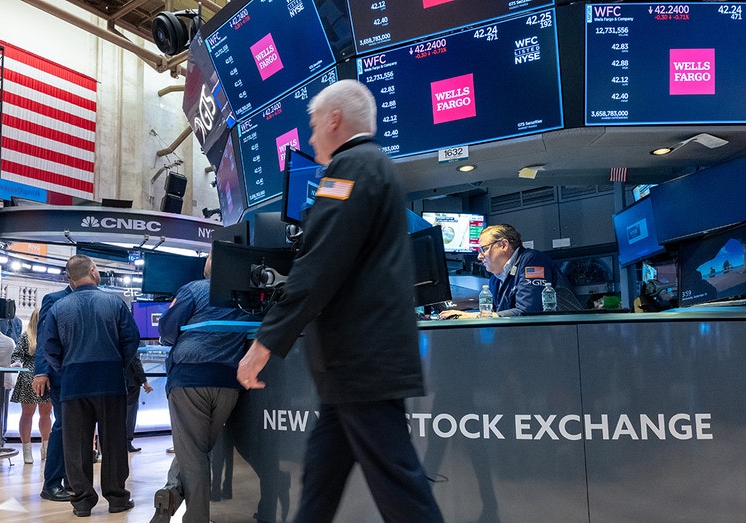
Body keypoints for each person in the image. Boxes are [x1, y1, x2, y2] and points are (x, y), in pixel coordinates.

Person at [235, 79, 445, 522]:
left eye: (312, 125)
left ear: (334, 119)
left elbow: (318, 265)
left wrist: (265, 341)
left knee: (400, 490)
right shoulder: (375, 166)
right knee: (321, 479)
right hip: (355, 367)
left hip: (360, 364)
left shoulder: (351, 169)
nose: (310, 138)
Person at [149, 255, 250, 523]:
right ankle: (171, 493)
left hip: (190, 378)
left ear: (207, 269)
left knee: (193, 454)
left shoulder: (194, 289)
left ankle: (192, 516)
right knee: (197, 448)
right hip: (230, 381)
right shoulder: (246, 296)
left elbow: (167, 330)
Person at [42, 254, 140, 517]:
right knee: (114, 442)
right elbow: (132, 339)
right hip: (109, 381)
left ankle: (83, 501)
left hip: (73, 383)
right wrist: (118, 363)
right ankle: (117, 498)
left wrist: (65, 367)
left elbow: (49, 347)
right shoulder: (114, 302)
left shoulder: (58, 308)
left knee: (76, 445)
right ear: (94, 271)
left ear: (70, 278)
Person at [438, 223, 582, 319]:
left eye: (484, 249)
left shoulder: (532, 260)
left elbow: (528, 311)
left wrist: (471, 317)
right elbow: (495, 315)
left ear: (503, 245)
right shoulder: (495, 279)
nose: (479, 256)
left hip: (566, 335)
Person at [32, 280, 73, 502]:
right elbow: (44, 340)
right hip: (60, 374)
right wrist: (41, 372)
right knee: (63, 425)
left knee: (75, 427)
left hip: (81, 374)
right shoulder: (54, 299)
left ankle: (70, 479)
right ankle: (52, 482)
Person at [10, 308, 53, 464]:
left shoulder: (51, 336)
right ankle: (27, 450)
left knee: (46, 414)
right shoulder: (26, 336)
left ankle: (46, 447)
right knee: (28, 414)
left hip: (47, 377)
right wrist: (17, 362)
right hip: (29, 378)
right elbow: (16, 355)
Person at [125, 354, 152, 453]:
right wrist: (145, 382)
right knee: (130, 412)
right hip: (132, 382)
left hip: (118, 382)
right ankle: (127, 442)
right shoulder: (129, 341)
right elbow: (135, 361)